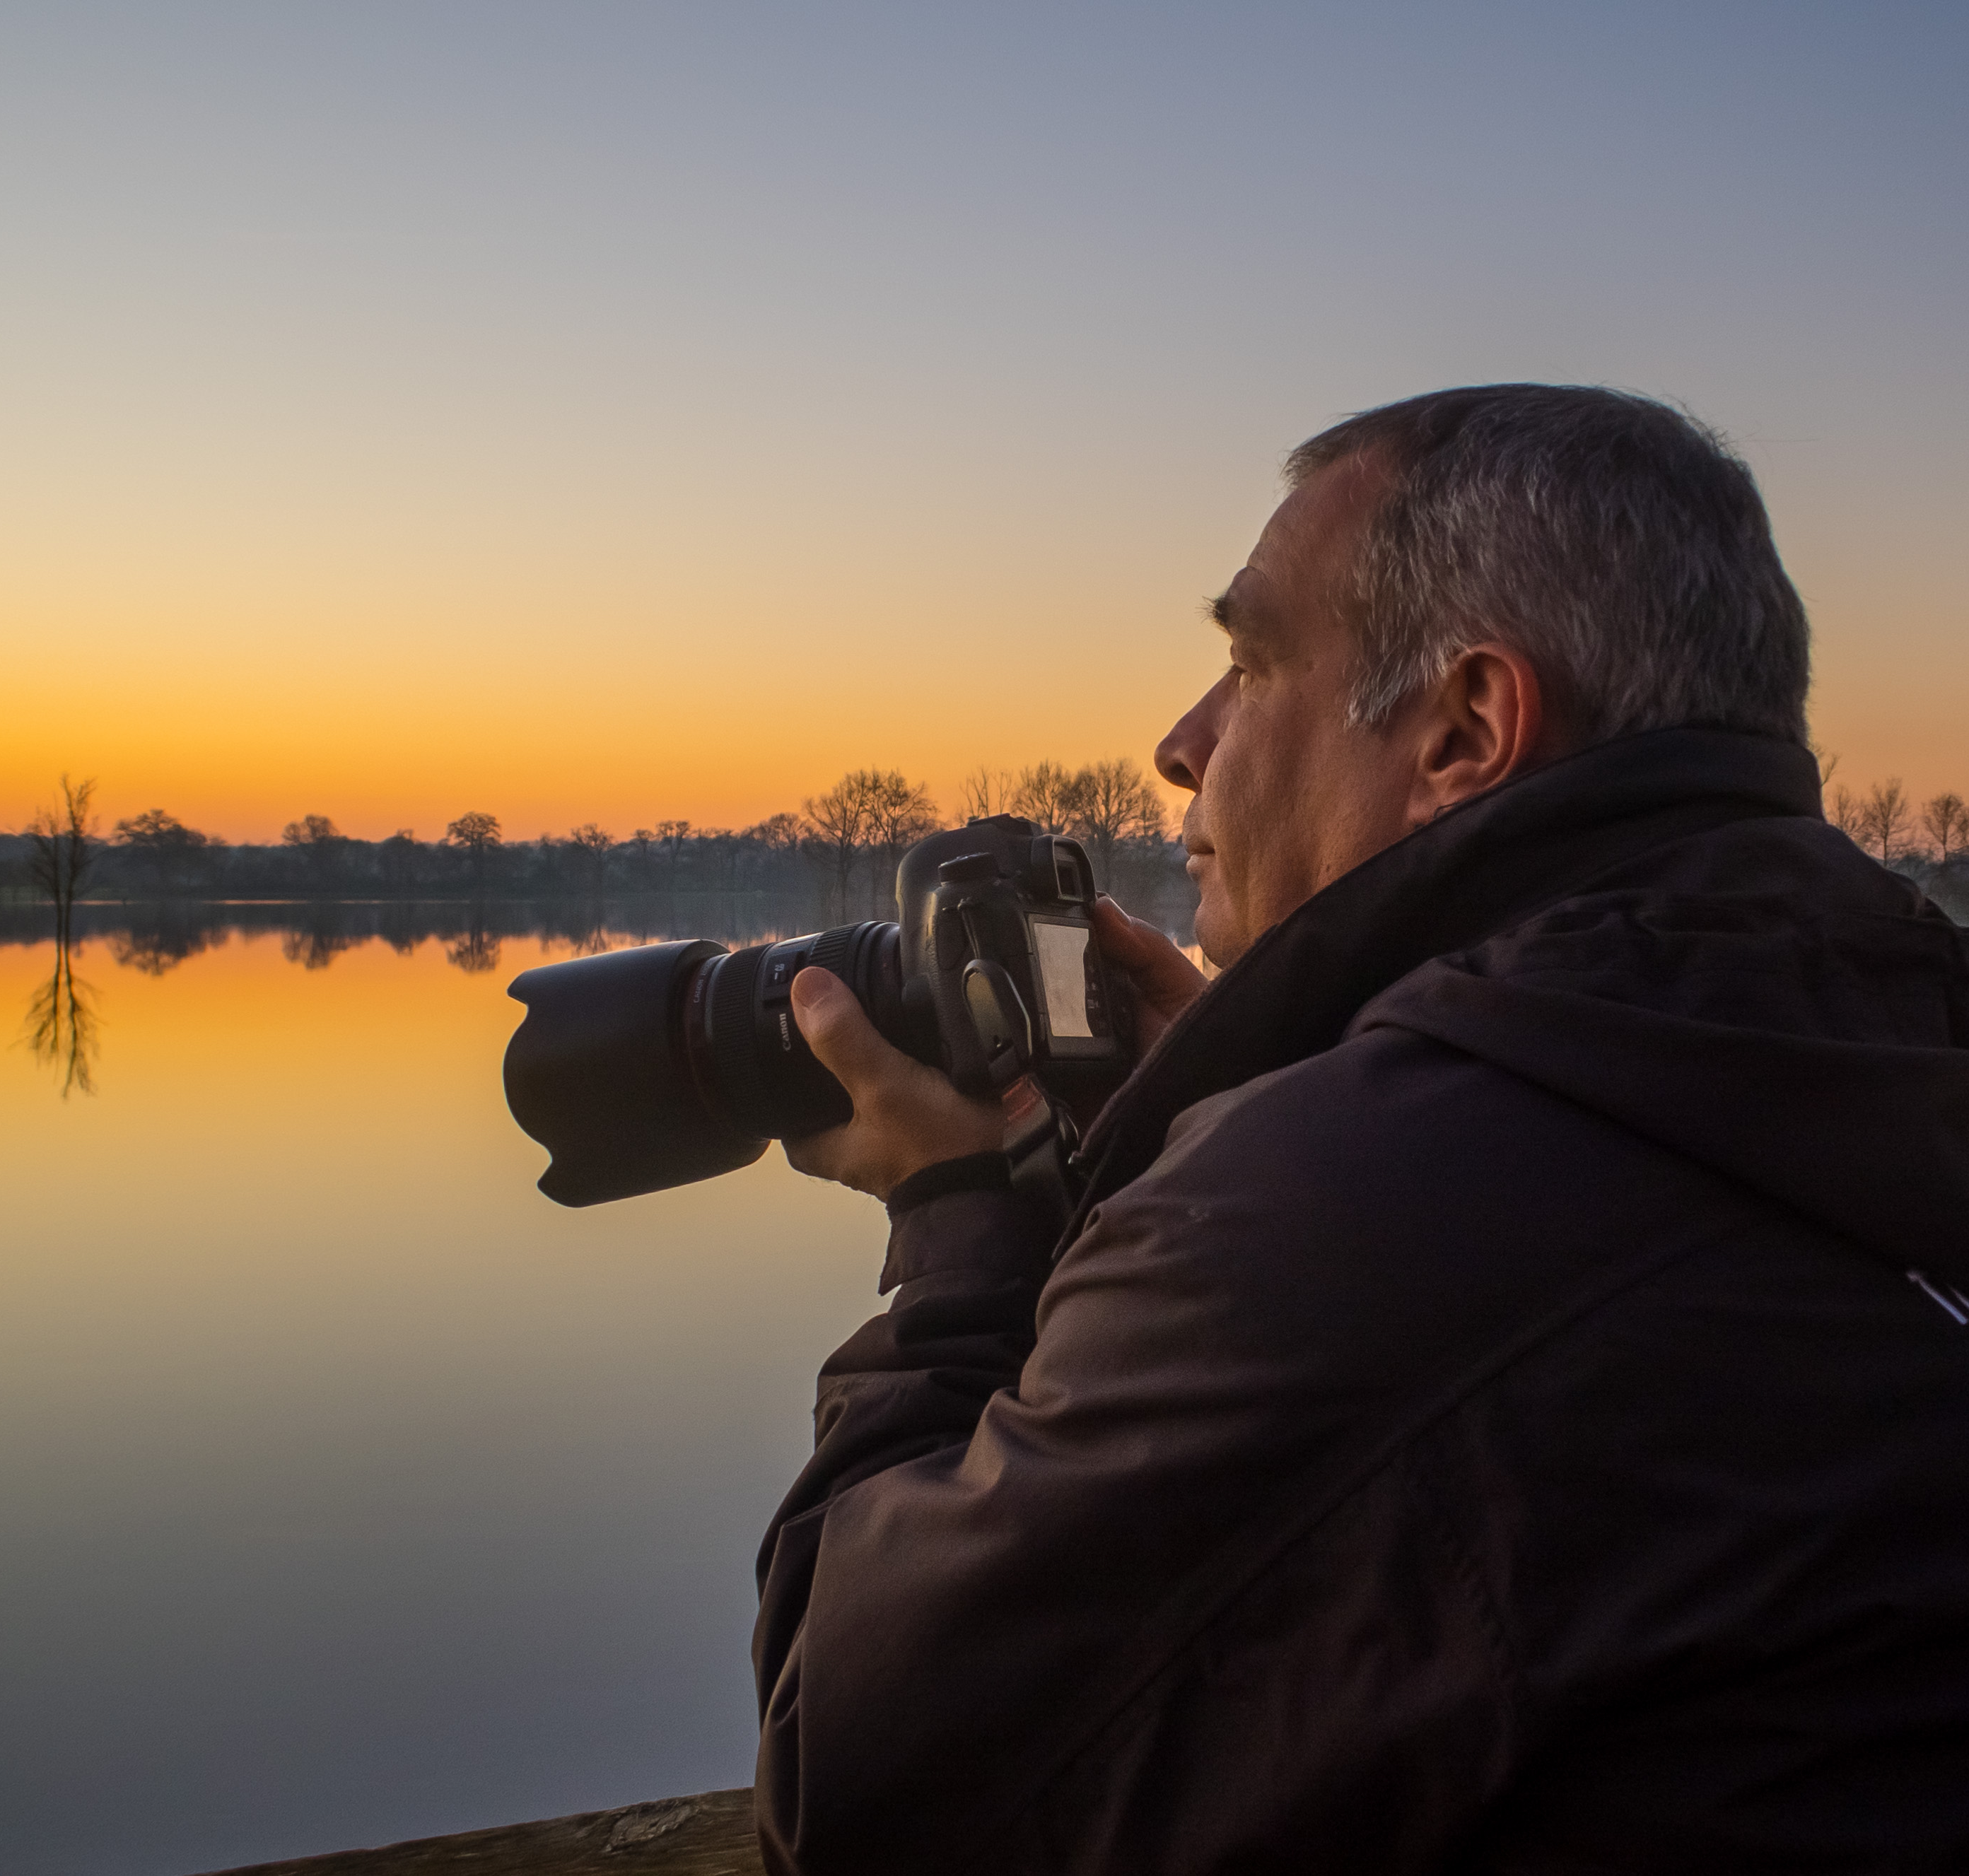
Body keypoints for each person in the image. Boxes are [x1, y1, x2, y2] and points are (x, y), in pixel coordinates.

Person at [755, 385, 1969, 1874]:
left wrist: (961, 1227)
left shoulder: (1346, 1220)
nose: (1176, 743)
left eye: (1248, 659)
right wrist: (1244, 1093)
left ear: (1463, 727)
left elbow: (856, 1797)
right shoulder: (1882, 1020)